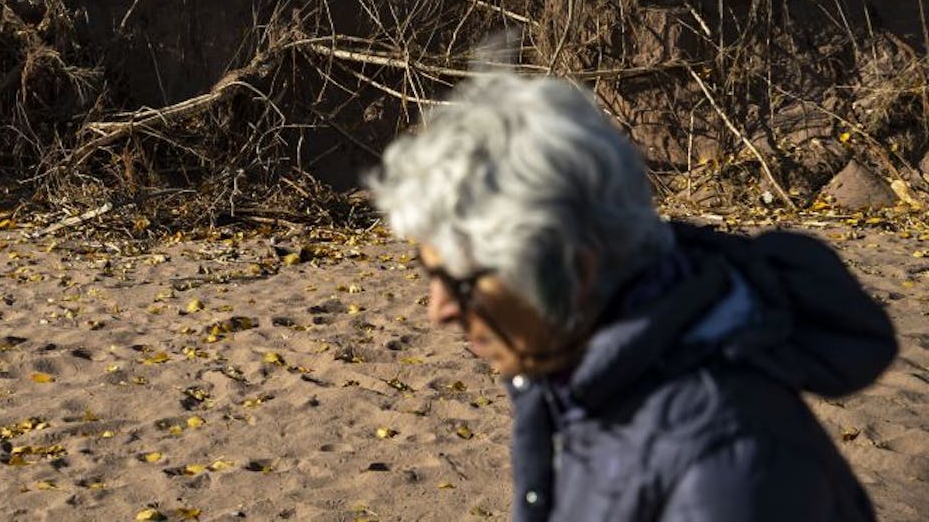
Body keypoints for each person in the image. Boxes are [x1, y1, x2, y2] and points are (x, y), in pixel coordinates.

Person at [369, 67, 898, 521]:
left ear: (573, 270)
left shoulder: (730, 462)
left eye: (461, 282)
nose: (438, 311)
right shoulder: (586, 380)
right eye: (427, 271)